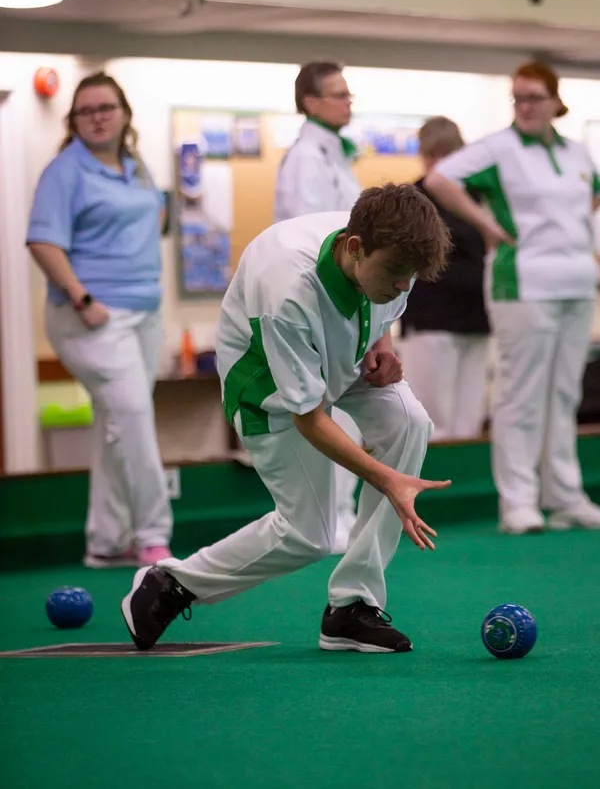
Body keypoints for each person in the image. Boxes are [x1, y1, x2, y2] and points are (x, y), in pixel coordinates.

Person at [121, 184, 452, 654]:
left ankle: (352, 608)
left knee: (410, 423)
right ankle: (172, 583)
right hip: (267, 386)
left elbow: (386, 305)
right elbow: (310, 418)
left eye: (412, 277)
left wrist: (383, 345)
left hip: (343, 356)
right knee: (308, 536)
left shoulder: (392, 251)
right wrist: (388, 480)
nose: (404, 285)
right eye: (397, 274)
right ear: (355, 249)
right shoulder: (290, 294)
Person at [424, 61, 600, 534]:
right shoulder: (498, 149)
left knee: (563, 395)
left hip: (576, 284)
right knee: (520, 395)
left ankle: (565, 496)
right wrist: (486, 225)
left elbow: (594, 197)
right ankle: (518, 502)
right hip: (521, 283)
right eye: (517, 98)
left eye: (533, 98)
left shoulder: (579, 154)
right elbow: (440, 180)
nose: (524, 106)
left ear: (555, 103)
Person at [27, 71, 173, 568]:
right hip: (90, 316)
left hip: (144, 313)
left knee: (117, 420)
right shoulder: (64, 170)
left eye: (105, 107)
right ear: (73, 120)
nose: (96, 117)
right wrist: (82, 298)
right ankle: (154, 537)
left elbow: (155, 217)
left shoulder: (136, 166)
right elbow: (44, 241)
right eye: (85, 111)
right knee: (132, 416)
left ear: (124, 114)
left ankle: (108, 541)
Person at [274, 60, 363, 554]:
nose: (348, 102)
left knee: (343, 408)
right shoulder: (308, 156)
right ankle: (329, 519)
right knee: (324, 409)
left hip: (343, 298)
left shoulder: (333, 153)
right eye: (338, 94)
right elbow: (310, 231)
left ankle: (340, 515)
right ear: (310, 102)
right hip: (320, 297)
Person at [400, 117, 490, 441]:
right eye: (430, 155)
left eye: (445, 154)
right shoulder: (411, 199)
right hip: (430, 319)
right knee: (431, 420)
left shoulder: (479, 196)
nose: (437, 163)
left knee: (470, 419)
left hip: (477, 317)